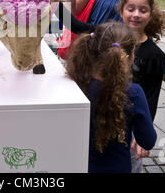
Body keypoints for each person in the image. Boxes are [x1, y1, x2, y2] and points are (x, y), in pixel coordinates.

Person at [66, 22, 157, 173]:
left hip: (77, 165)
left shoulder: (76, 85)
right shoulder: (132, 93)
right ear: (128, 58)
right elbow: (148, 140)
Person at [118, 0, 165, 172]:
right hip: (107, 119)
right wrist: (64, 4)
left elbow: (151, 97)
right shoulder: (110, 40)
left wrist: (143, 135)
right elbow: (78, 26)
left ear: (151, 14)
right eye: (130, 9)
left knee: (131, 165)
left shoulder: (154, 55)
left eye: (143, 10)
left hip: (132, 124)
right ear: (122, 10)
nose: (136, 14)